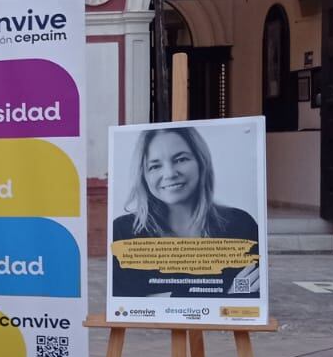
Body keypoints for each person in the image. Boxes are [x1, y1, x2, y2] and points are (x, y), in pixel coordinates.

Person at [111, 125, 260, 299]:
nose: (170, 173)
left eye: (181, 159)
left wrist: (162, 296)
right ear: (143, 175)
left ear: (201, 162)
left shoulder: (240, 225)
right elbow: (127, 303)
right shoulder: (124, 232)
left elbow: (249, 293)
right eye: (154, 166)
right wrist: (223, 295)